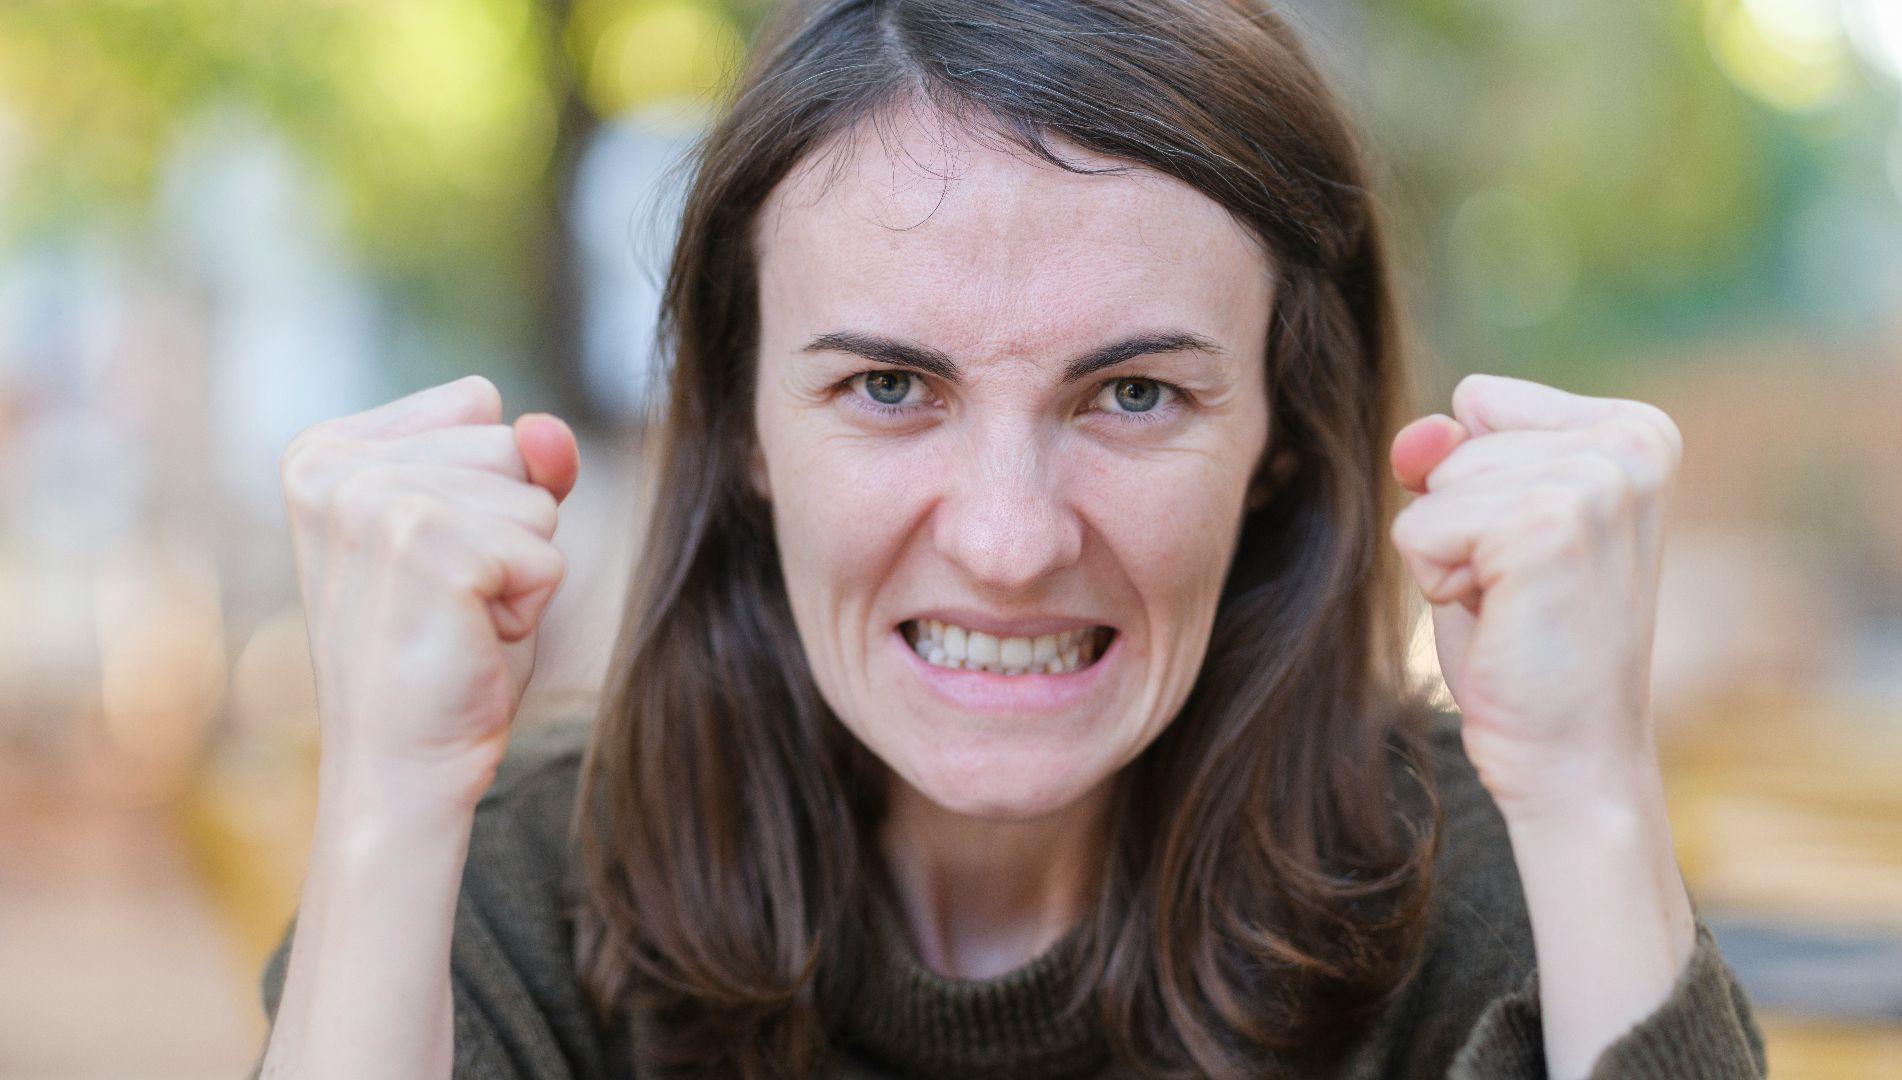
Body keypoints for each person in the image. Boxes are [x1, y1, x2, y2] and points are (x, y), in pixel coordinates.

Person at [250, 0, 1768, 1077]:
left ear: (1283, 438)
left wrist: (1587, 800)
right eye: (891, 386)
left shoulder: (1480, 889)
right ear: (744, 429)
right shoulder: (518, 888)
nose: (1007, 540)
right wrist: (388, 801)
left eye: (1131, 392)